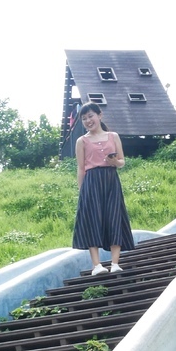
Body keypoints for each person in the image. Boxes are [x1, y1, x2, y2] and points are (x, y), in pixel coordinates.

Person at [73, 103, 134, 276]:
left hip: (111, 180)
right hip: (91, 182)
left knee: (115, 216)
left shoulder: (113, 136)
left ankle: (115, 263)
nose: (87, 121)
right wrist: (81, 191)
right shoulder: (81, 141)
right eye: (84, 118)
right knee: (92, 219)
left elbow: (122, 161)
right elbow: (80, 168)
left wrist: (115, 162)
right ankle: (97, 265)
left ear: (100, 115)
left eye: (90, 116)